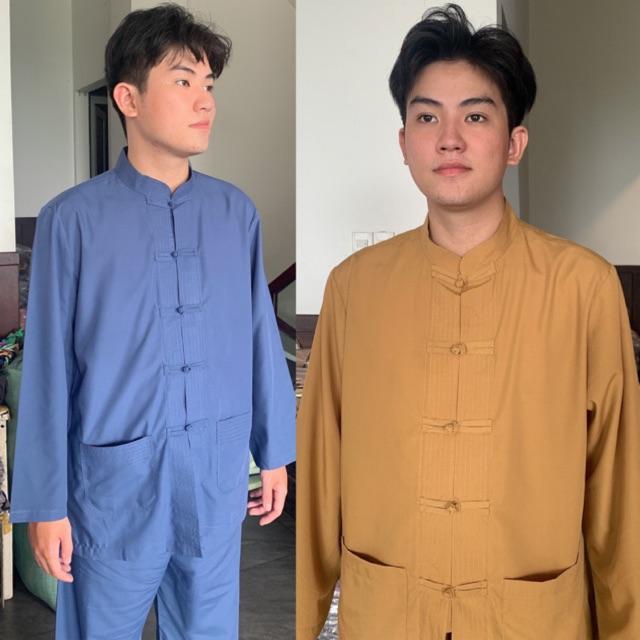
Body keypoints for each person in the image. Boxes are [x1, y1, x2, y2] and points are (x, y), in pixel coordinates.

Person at [296, 5, 640, 639]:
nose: (449, 139)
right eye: (427, 117)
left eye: (476, 116)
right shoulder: (354, 289)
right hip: (389, 617)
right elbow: (321, 475)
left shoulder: (583, 287)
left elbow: (619, 493)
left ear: (514, 144)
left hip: (533, 622)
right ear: (404, 144)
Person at [10, 4, 295, 638]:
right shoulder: (72, 220)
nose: (205, 100)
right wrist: (45, 504)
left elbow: (258, 336)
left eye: (209, 84)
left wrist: (274, 453)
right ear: (128, 98)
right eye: (183, 81)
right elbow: (49, 366)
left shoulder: (235, 214)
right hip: (112, 490)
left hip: (214, 480)